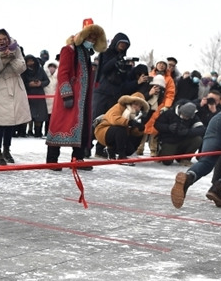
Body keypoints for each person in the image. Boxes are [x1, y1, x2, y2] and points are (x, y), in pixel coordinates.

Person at [46, 19, 107, 169]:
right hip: (69, 96)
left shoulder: (87, 54)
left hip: (83, 98)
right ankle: (52, 160)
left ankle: (78, 159)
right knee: (60, 126)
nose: (91, 40)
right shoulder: (69, 50)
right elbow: (63, 74)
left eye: (94, 38)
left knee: (83, 127)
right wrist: (67, 94)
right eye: (90, 37)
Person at [0, 29, 31, 165]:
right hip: (1, 85)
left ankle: (7, 150)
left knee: (10, 121)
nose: (2, 41)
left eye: (4, 38)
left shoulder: (16, 48)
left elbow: (21, 67)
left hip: (15, 84)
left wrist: (11, 57)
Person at [93, 92, 149, 161]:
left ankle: (112, 150)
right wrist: (129, 122)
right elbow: (114, 119)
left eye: (140, 106)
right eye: (136, 104)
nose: (137, 107)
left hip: (119, 134)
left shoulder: (135, 115)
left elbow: (131, 131)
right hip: (103, 130)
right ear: (130, 102)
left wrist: (139, 129)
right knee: (120, 129)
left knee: (130, 149)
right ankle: (121, 156)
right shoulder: (119, 106)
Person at [154, 101, 206, 166]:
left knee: (198, 139)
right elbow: (157, 124)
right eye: (184, 116)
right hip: (169, 141)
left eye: (187, 117)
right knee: (167, 162)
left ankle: (185, 159)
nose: (185, 118)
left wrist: (187, 132)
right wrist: (168, 128)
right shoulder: (169, 113)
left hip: (183, 141)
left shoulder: (194, 117)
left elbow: (201, 129)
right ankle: (162, 153)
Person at [22, 54, 50, 138]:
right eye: (28, 61)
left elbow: (47, 81)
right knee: (26, 115)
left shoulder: (40, 70)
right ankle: (23, 132)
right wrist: (29, 84)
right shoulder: (23, 71)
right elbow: (21, 82)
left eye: (32, 61)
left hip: (39, 95)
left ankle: (38, 132)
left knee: (39, 115)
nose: (30, 63)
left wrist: (40, 83)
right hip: (27, 94)